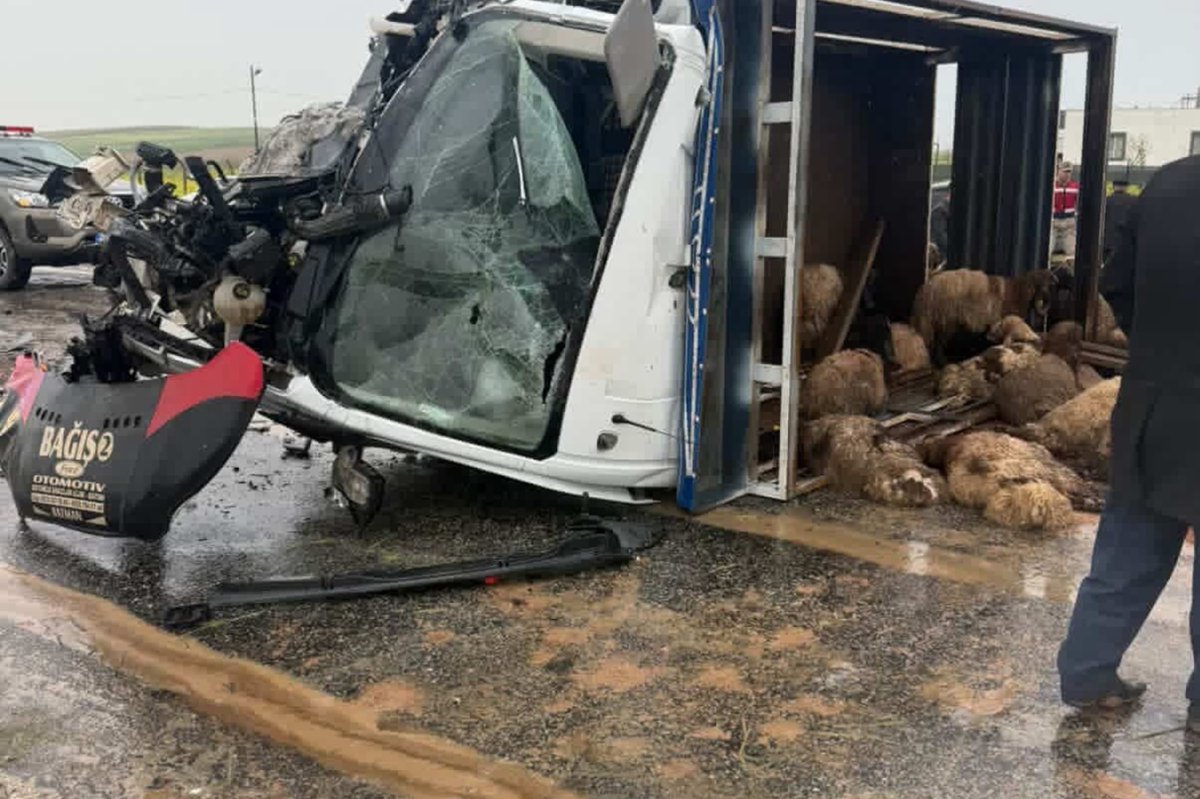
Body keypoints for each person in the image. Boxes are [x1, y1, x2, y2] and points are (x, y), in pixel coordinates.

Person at [1057, 154, 1200, 723]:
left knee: (1127, 549)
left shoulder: (1166, 183)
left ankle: (1087, 676)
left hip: (1154, 402)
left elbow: (1115, 282)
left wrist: (1156, 352)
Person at [1103, 179, 1138, 263]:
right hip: (1127, 242)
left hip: (1108, 241)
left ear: (1114, 187)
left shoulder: (1106, 200)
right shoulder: (1134, 201)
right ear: (1126, 187)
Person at [1051, 163, 1080, 257]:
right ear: (1058, 171)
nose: (1067, 174)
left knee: (1072, 253)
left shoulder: (1075, 187)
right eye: (1065, 171)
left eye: (1069, 172)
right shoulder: (1052, 186)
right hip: (1053, 223)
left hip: (1069, 225)